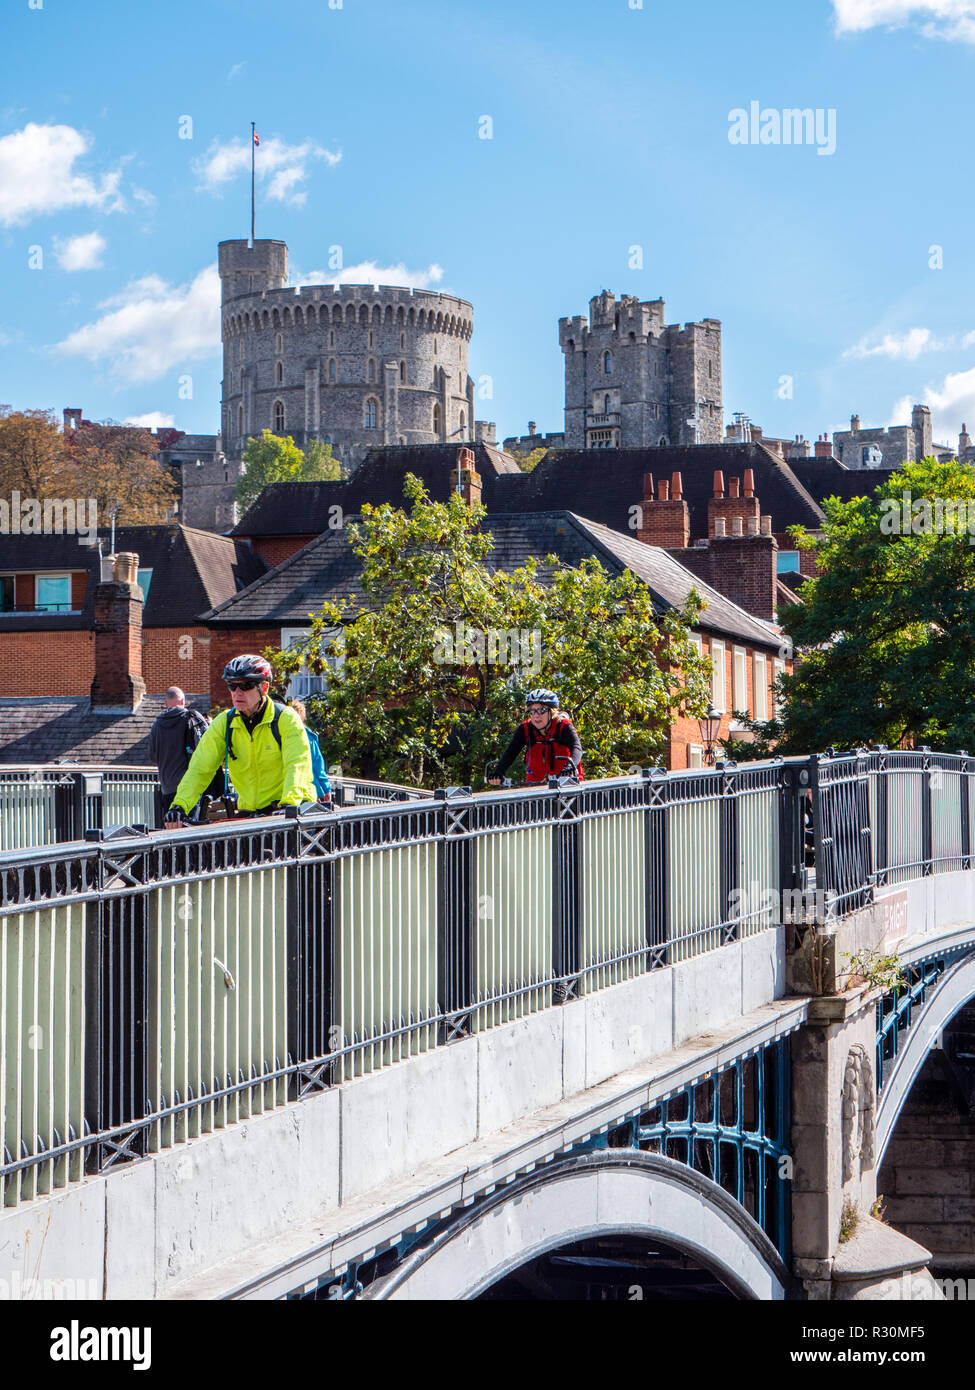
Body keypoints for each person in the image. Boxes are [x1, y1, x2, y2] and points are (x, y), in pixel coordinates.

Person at [164, 655, 316, 826]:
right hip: (251, 813)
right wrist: (179, 806)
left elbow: (297, 764)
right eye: (232, 686)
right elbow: (200, 768)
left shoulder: (285, 719)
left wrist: (290, 803)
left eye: (246, 685)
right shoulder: (225, 723)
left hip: (293, 811)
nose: (237, 692)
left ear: (264, 687)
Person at [488, 688, 584, 786]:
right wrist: (498, 772)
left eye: (541, 710)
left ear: (552, 712)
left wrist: (568, 767)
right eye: (532, 711)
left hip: (566, 780)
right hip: (536, 783)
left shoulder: (563, 726)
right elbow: (510, 752)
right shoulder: (526, 729)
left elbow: (576, 748)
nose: (536, 716)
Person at [148, 687, 209, 827]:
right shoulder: (191, 718)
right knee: (189, 830)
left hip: (166, 787)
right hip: (189, 786)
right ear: (182, 701)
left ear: (165, 702)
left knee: (170, 830)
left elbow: (152, 756)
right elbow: (207, 747)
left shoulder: (157, 724)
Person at [289, 699, 332, 802]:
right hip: (309, 790)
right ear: (302, 716)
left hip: (288, 792)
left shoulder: (281, 735)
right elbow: (317, 765)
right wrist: (326, 789)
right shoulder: (308, 737)